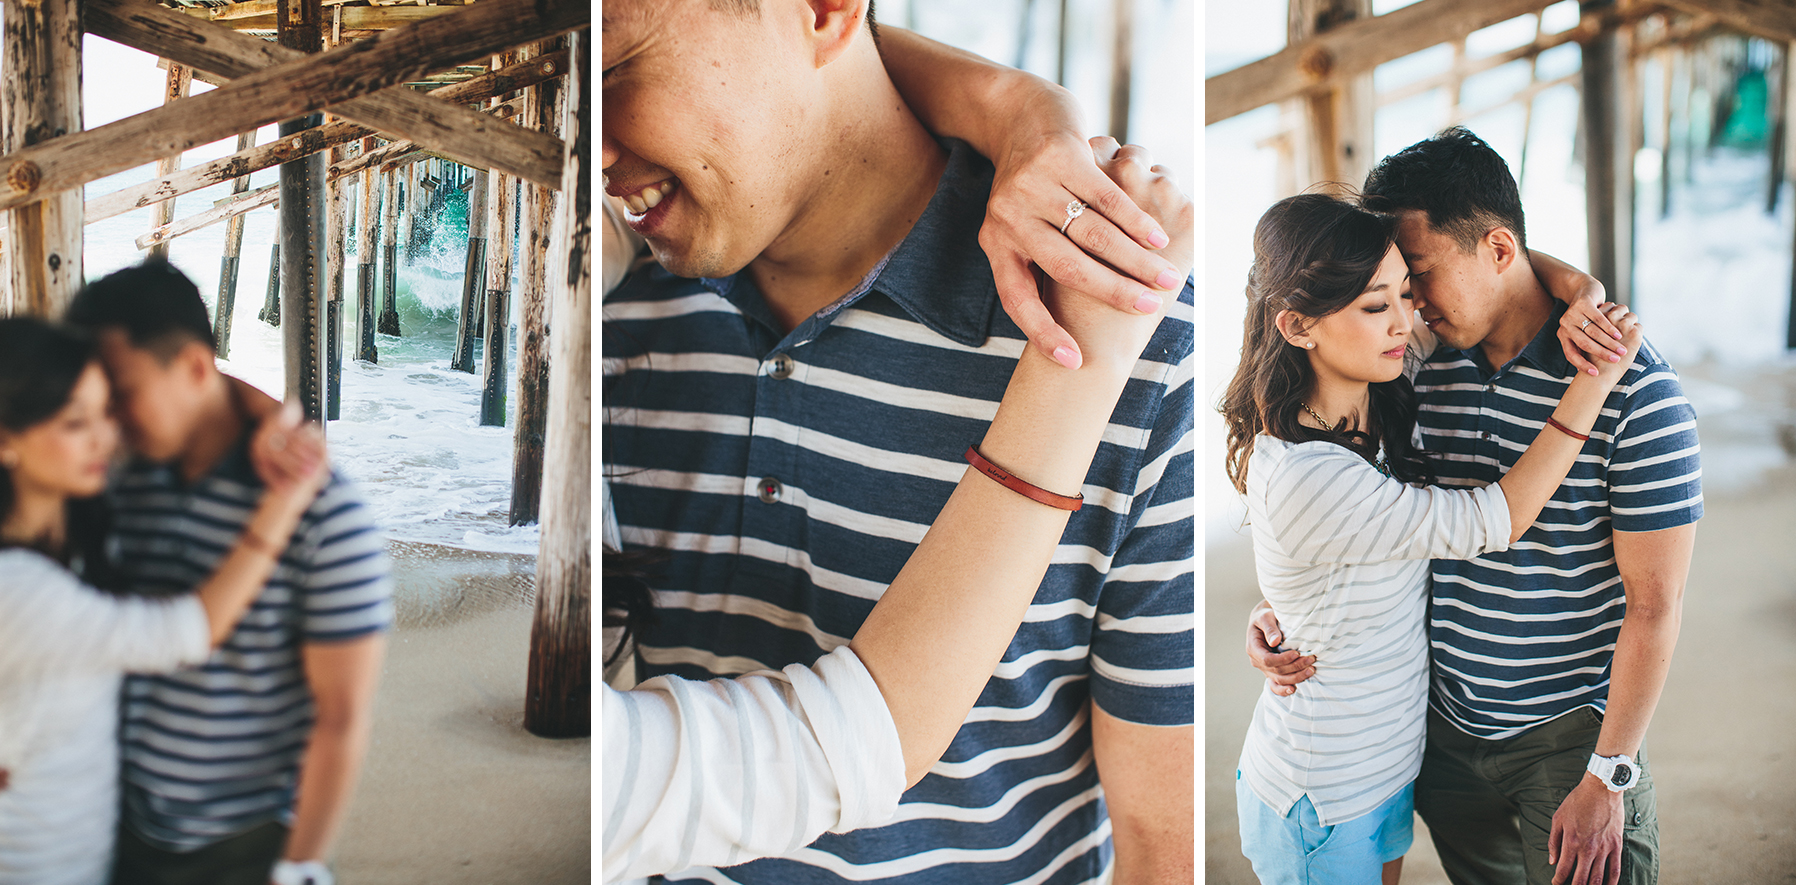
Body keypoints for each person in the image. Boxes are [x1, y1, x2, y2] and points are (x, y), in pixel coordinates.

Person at [602, 1, 1195, 881]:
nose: (595, 156)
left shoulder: (1132, 334)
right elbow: (843, 741)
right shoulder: (615, 309)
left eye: (616, 73)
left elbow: (1163, 839)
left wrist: (1028, 110)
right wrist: (1027, 106)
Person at [1246, 127, 1703, 885]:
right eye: (1391, 288)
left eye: (1417, 274)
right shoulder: (1413, 367)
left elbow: (1656, 605)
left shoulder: (1634, 392)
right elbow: (1357, 509)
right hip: (1439, 735)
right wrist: (1287, 603)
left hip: (1567, 743)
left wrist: (1609, 774)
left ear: (1496, 249)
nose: (1409, 307)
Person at [63, 261, 395, 885]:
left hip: (241, 843)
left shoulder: (322, 510)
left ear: (192, 368)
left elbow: (342, 715)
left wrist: (299, 865)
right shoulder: (120, 478)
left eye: (122, 392)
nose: (108, 421)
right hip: (109, 818)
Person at [0, 318, 327, 885]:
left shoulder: (79, 511)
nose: (106, 437)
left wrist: (267, 414)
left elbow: (193, 393)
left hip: (100, 848)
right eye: (77, 423)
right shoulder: (21, 588)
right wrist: (284, 501)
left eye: (106, 410)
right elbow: (189, 631)